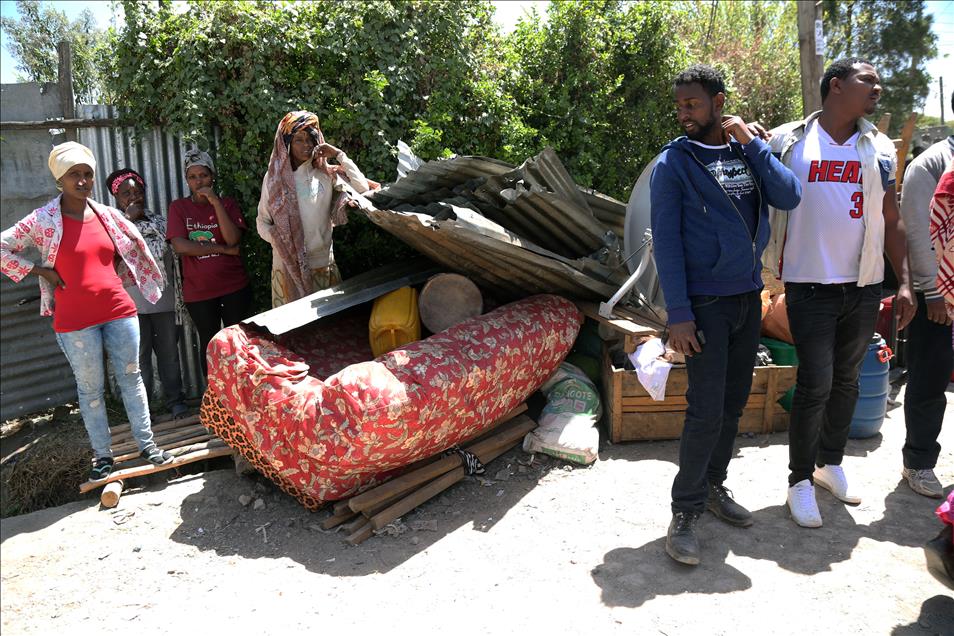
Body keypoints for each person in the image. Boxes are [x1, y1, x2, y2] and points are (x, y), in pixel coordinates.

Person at [650, 64, 802, 565]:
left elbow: (788, 195)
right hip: (705, 306)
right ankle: (685, 510)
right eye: (679, 106)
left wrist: (755, 145)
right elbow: (667, 243)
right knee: (705, 410)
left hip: (747, 298)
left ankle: (714, 486)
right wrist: (679, 315)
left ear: (719, 102)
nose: (684, 114)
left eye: (692, 104)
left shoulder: (745, 150)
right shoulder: (675, 162)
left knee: (734, 404)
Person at [763, 58, 917, 528]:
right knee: (816, 382)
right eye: (867, 79)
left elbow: (890, 218)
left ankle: (829, 464)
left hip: (864, 284)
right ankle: (798, 481)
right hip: (809, 283)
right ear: (836, 86)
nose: (877, 86)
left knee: (848, 379)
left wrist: (905, 281)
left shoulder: (880, 146)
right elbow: (760, 199)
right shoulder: (788, 140)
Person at [0, 142, 173, 482]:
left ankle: (147, 445)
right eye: (73, 175)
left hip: (119, 310)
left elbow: (131, 246)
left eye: (87, 175)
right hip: (74, 321)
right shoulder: (43, 220)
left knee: (131, 378)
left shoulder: (108, 215)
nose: (82, 181)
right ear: (59, 180)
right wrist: (41, 272)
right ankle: (103, 457)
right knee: (90, 390)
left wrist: (127, 270)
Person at [257, 111, 371, 307]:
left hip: (322, 265)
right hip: (286, 268)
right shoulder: (275, 180)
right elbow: (262, 222)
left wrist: (338, 154)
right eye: (299, 140)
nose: (307, 145)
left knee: (328, 327)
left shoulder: (326, 175)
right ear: (287, 144)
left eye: (311, 138)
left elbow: (362, 188)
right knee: (292, 330)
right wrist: (280, 242)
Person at [897, 113, 953, 499]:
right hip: (939, 296)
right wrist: (931, 292)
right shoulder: (932, 163)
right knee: (929, 380)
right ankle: (918, 462)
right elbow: (915, 229)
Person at [106, 168, 189, 419]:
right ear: (116, 198)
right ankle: (144, 410)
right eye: (126, 193)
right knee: (139, 359)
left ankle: (176, 402)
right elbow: (109, 256)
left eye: (138, 191)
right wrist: (128, 222)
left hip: (163, 299)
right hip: (130, 304)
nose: (134, 197)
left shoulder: (162, 223)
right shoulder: (111, 227)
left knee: (169, 354)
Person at [166, 149, 251, 376]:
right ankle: (216, 399)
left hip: (234, 286)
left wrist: (215, 203)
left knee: (241, 341)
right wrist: (222, 249)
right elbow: (180, 246)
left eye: (203, 175)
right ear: (186, 180)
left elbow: (234, 238)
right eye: (192, 177)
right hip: (199, 292)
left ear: (212, 176)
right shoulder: (179, 208)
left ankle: (245, 395)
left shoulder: (228, 204)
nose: (198, 181)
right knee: (210, 344)